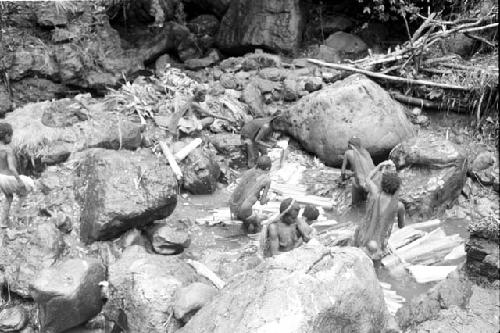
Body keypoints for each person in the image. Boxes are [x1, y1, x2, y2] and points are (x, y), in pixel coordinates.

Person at [354, 160, 405, 259]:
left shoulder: (375, 193)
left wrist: (380, 165)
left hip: (363, 237)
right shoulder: (399, 206)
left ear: (382, 184)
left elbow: (368, 179)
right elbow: (401, 226)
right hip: (379, 245)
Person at [0, 123, 34, 228]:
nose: (11, 138)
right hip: (7, 178)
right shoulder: (7, 150)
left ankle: (4, 221)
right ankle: (16, 213)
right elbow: (11, 168)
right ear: (6, 136)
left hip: (0, 178)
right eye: (11, 136)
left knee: (9, 198)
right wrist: (19, 181)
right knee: (28, 187)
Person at [229, 155, 272, 233]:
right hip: (245, 209)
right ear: (267, 169)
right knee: (258, 226)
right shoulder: (266, 180)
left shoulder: (248, 172)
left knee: (245, 225)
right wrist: (268, 199)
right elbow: (262, 202)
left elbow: (245, 190)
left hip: (233, 206)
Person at [340, 136, 375, 205]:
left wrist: (343, 179)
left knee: (355, 205)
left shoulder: (347, 153)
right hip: (369, 182)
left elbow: (343, 171)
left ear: (350, 145)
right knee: (365, 204)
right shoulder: (365, 153)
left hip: (358, 182)